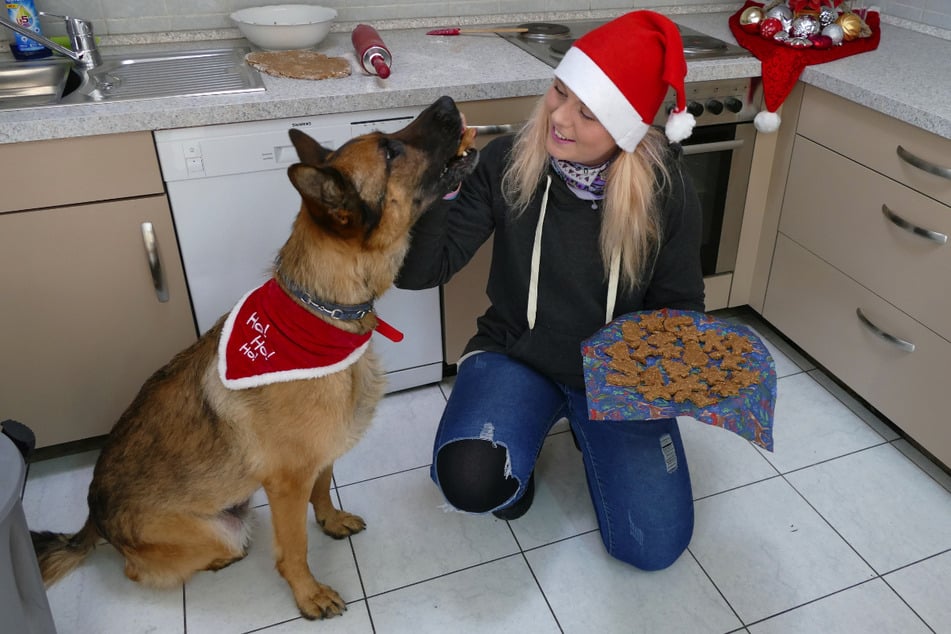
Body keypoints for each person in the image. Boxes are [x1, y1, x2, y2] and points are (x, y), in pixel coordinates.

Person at [395, 11, 704, 571]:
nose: (558, 118)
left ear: (625, 127)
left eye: (588, 113)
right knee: (470, 480)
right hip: (518, 353)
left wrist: (659, 379)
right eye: (558, 92)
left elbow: (681, 303)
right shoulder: (507, 161)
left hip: (616, 372)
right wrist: (436, 188)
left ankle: (593, 437)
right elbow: (419, 273)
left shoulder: (665, 187)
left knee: (653, 547)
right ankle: (522, 466)